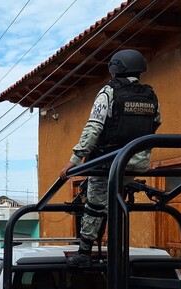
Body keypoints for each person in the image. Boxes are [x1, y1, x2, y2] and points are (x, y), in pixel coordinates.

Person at [59, 49, 161, 268]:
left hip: (107, 162)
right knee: (112, 199)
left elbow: (94, 127)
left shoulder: (108, 92)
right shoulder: (151, 95)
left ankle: (85, 252)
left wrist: (75, 160)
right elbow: (156, 123)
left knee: (94, 204)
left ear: (115, 69)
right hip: (137, 161)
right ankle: (111, 244)